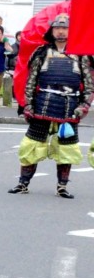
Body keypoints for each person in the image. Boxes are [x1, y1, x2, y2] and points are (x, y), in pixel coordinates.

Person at [11, 14, 93, 198]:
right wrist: (28, 105)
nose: (61, 31)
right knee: (31, 145)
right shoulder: (41, 53)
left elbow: (89, 85)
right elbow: (31, 82)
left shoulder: (82, 55)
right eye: (57, 28)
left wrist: (84, 106)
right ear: (52, 30)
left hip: (69, 107)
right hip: (42, 104)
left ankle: (62, 186)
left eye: (65, 28)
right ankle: (23, 183)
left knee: (67, 148)